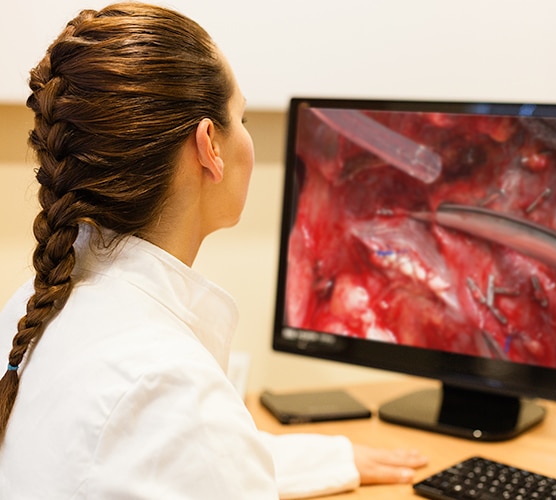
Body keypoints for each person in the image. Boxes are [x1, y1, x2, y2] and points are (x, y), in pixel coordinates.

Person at [0, 3, 426, 498]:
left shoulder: (35, 306)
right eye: (240, 117)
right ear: (210, 146)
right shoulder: (167, 388)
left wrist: (332, 458)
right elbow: (182, 440)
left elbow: (170, 460)